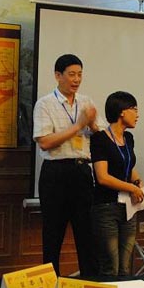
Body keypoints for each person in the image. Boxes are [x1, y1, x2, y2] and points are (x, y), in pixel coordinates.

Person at [33, 54, 104, 276]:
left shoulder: (86, 102)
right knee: (53, 235)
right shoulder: (45, 104)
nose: (77, 79)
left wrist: (92, 125)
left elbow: (100, 136)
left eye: (80, 74)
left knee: (87, 234)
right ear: (58, 75)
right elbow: (45, 142)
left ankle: (91, 285)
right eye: (71, 74)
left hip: (82, 171)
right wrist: (79, 125)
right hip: (56, 173)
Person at [90, 91, 144, 276]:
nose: (137, 115)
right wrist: (131, 187)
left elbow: (128, 165)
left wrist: (137, 181)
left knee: (126, 266)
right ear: (122, 111)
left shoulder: (129, 138)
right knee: (110, 266)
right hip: (106, 207)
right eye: (134, 109)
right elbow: (102, 177)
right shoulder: (100, 139)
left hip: (128, 207)